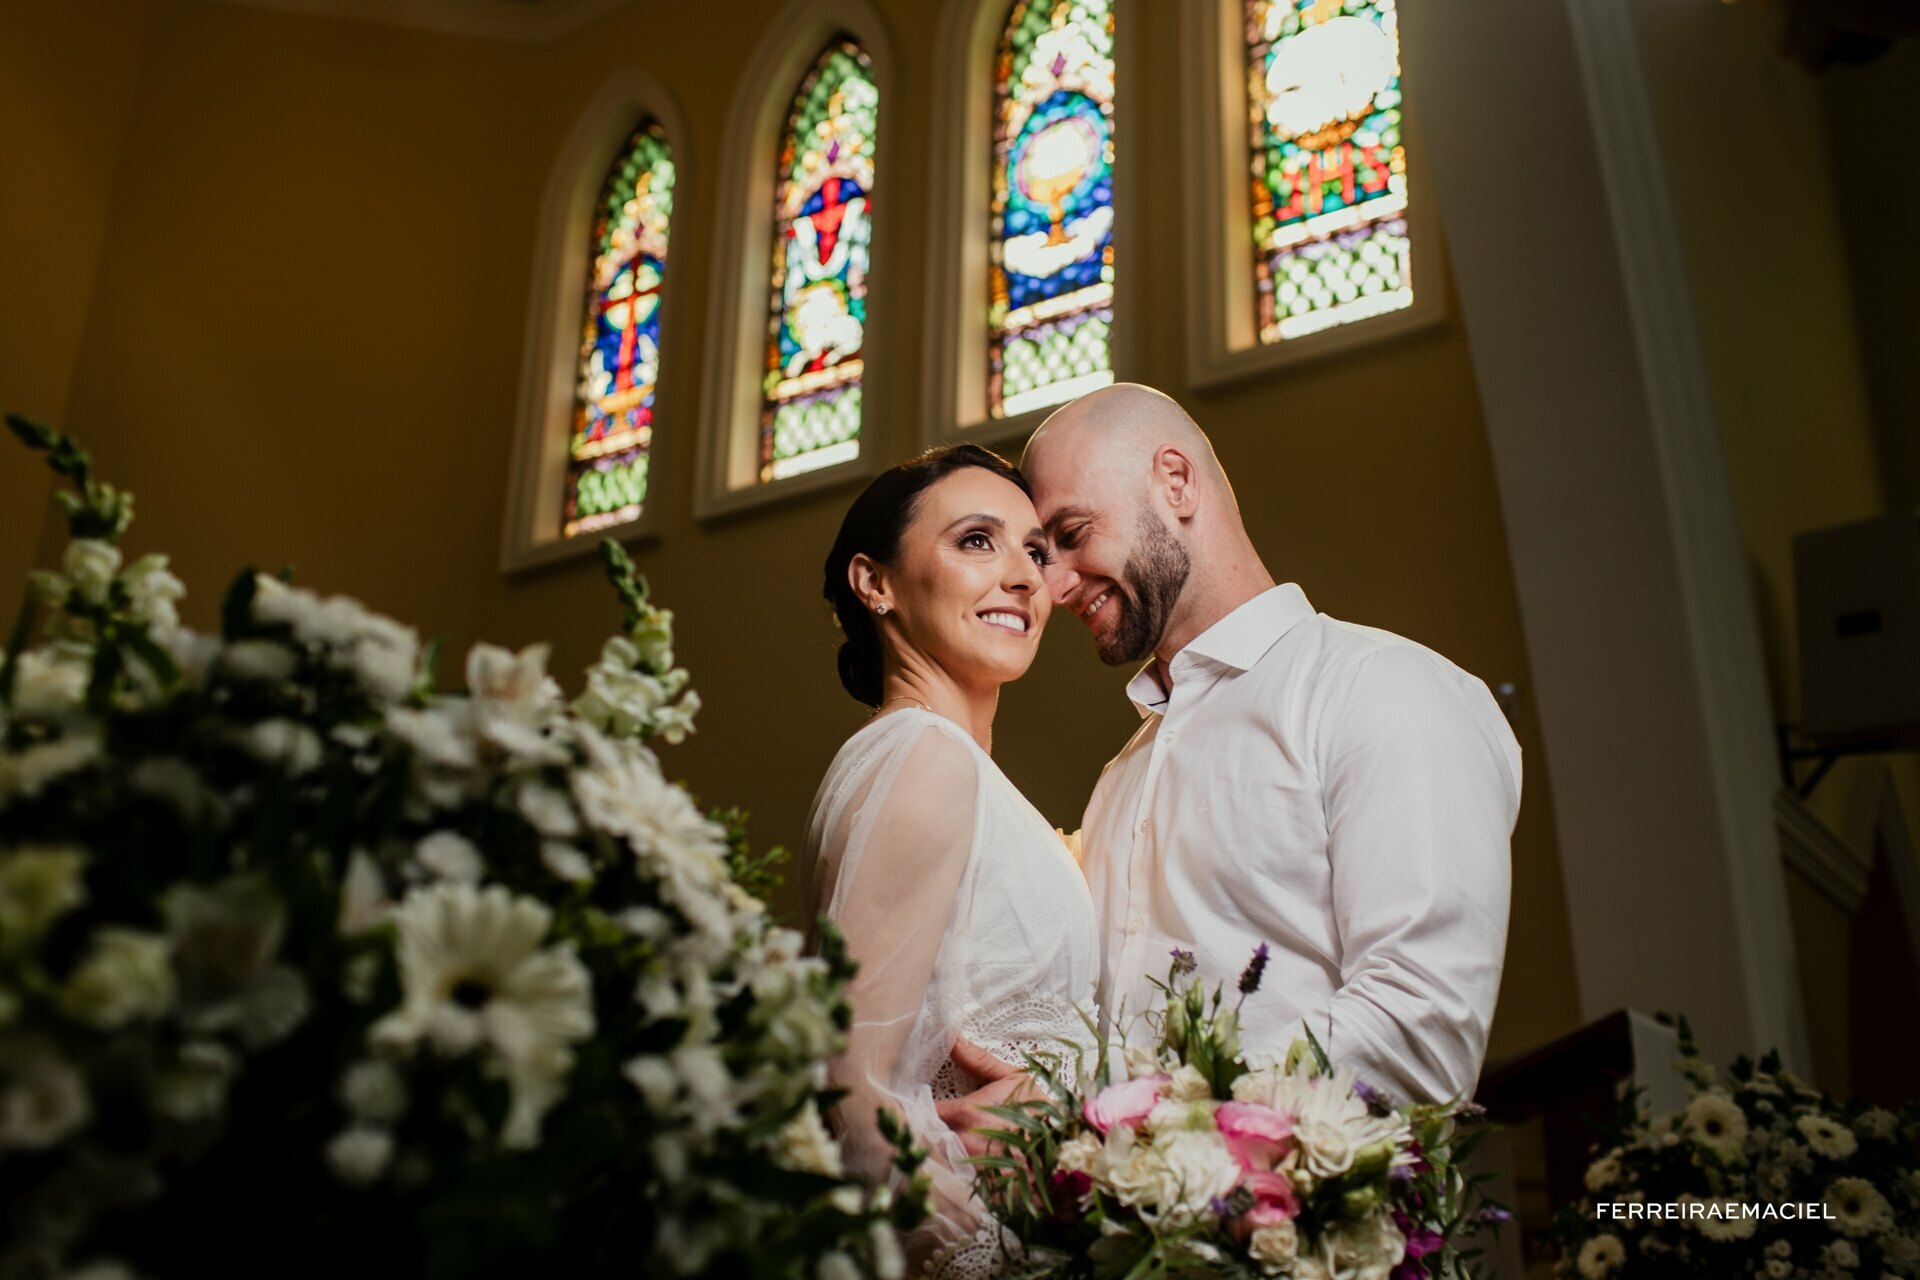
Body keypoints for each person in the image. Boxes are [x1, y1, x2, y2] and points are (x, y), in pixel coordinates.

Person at [937, 382, 1520, 1149]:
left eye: (1072, 534)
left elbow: (1420, 1033)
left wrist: (1112, 1116)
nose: (1052, 584)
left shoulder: (1383, 689)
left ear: (1176, 483)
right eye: (1043, 555)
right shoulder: (1121, 779)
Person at [807, 443, 1098, 1275]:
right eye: (977, 540)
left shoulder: (937, 765)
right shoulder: (923, 760)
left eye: (1035, 550)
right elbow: (849, 1093)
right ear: (877, 583)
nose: (1023, 576)